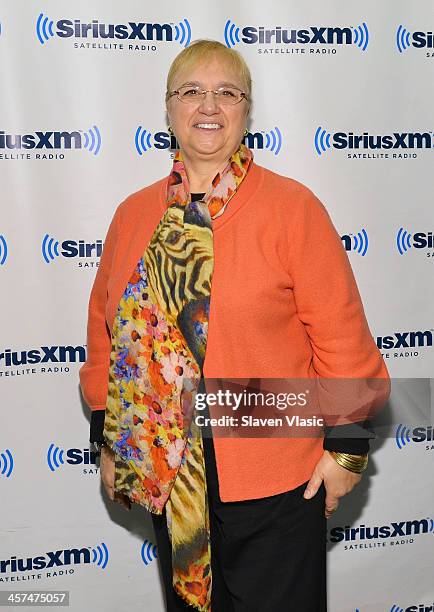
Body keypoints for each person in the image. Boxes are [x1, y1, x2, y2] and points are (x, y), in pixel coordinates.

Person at [79, 39, 390, 611]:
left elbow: (342, 339)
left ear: (247, 111)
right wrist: (110, 436)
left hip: (278, 476)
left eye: (228, 93)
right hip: (170, 475)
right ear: (169, 108)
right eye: (192, 92)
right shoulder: (133, 215)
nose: (209, 106)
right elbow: (108, 338)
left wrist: (346, 450)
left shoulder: (294, 209)